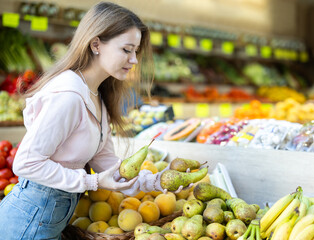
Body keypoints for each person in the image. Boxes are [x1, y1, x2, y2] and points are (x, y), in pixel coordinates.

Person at [0, 2, 187, 239]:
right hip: (26, 224)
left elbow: (108, 166)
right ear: (96, 44)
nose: (134, 60)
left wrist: (156, 182)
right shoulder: (68, 96)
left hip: (47, 223)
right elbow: (26, 163)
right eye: (127, 49)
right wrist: (91, 181)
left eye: (136, 51)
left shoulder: (96, 95)